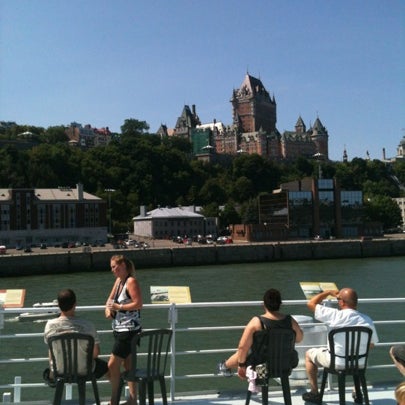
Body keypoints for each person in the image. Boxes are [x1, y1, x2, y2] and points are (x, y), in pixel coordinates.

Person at [302, 288, 379, 404]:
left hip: (337, 363)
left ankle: (314, 393)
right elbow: (371, 345)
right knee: (357, 355)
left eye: (338, 299)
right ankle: (357, 391)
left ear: (342, 302)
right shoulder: (367, 320)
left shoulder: (334, 315)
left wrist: (327, 293)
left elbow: (311, 303)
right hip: (359, 363)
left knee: (309, 354)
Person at [217, 288, 303, 380]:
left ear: (264, 304)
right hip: (285, 366)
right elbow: (299, 339)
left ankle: (224, 366)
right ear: (280, 304)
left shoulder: (257, 322)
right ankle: (224, 366)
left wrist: (241, 366)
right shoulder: (290, 321)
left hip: (261, 369)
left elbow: (242, 347)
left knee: (245, 352)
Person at [43, 289, 108, 386]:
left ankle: (56, 383)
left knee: (46, 373)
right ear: (75, 304)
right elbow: (95, 354)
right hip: (85, 371)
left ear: (58, 305)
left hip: (59, 371)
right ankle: (115, 394)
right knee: (107, 368)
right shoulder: (87, 325)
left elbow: (51, 352)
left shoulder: (50, 325)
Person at [105, 254, 143, 405]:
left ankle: (114, 400)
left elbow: (138, 304)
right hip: (119, 329)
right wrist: (108, 310)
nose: (113, 270)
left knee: (112, 365)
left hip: (129, 331)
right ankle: (133, 400)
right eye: (112, 267)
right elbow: (109, 301)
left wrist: (118, 307)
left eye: (115, 267)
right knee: (128, 365)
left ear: (123, 266)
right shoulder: (118, 281)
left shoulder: (131, 281)